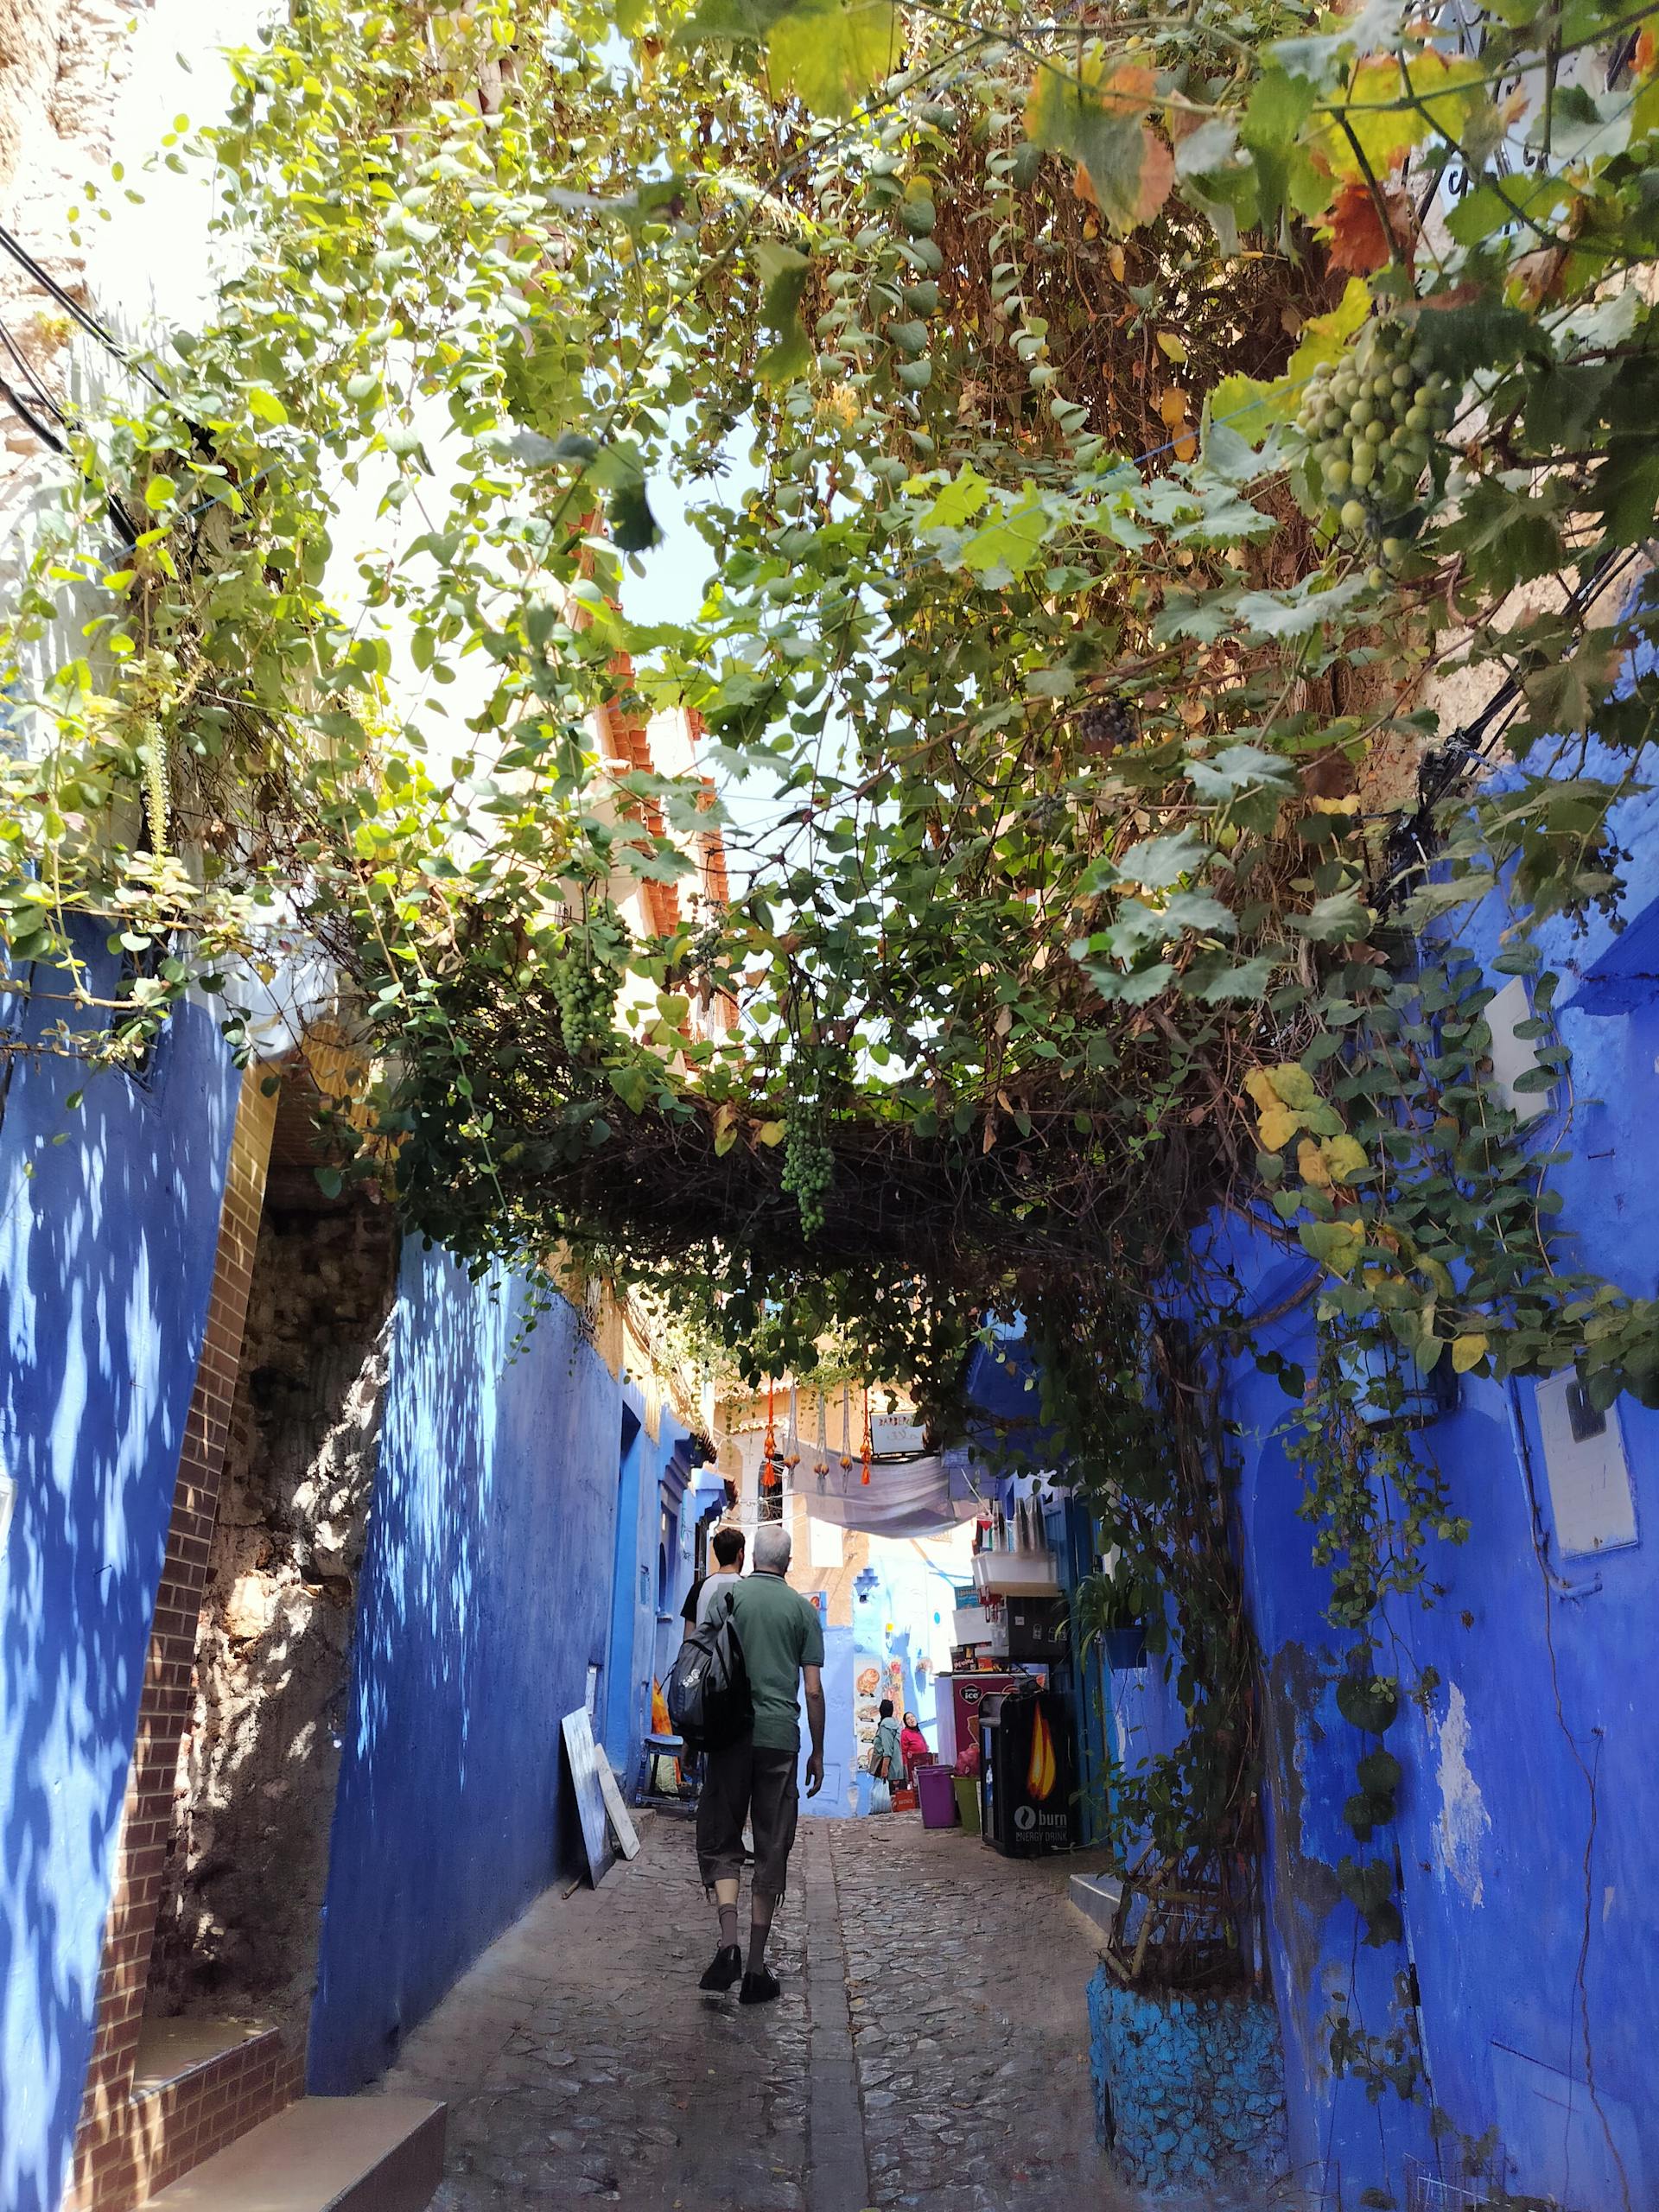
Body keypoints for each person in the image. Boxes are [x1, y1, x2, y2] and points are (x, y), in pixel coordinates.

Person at [696, 1520, 824, 2005]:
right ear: (787, 1563)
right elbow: (812, 1689)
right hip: (779, 1741)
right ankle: (754, 1968)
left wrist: (694, 1738)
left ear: (753, 1560)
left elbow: (700, 1670)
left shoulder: (728, 1600)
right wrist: (817, 1749)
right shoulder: (802, 1611)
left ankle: (727, 1942)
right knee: (772, 1845)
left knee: (723, 1835)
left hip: (729, 1736)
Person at [681, 1523, 747, 1639]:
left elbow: (688, 1637)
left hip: (703, 1656)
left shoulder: (698, 1588)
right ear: (740, 1554)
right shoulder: (747, 1589)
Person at [868, 1699, 903, 1807]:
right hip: (897, 1768)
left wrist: (884, 1768)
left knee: (893, 1802)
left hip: (891, 1770)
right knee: (898, 1802)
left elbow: (887, 1749)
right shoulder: (894, 1723)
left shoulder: (885, 1724)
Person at [899, 1710, 930, 1776]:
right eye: (908, 1718)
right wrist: (906, 1769)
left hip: (925, 1763)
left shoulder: (918, 1732)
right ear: (906, 1722)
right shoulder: (905, 1733)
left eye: (912, 1717)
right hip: (914, 1766)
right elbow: (903, 1753)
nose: (911, 1719)